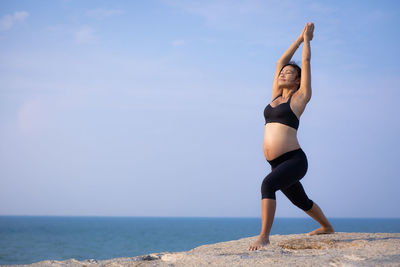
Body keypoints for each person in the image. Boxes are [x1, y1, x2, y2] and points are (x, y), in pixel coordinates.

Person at [248, 22, 335, 251]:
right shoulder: (275, 97)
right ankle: (326, 227)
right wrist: (297, 38)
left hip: (294, 160)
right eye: (283, 72)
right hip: (276, 163)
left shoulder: (298, 99)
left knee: (267, 185)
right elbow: (280, 62)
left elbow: (305, 62)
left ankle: (264, 236)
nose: (284, 73)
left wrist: (307, 41)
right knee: (301, 201)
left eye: (290, 73)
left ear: (297, 81)